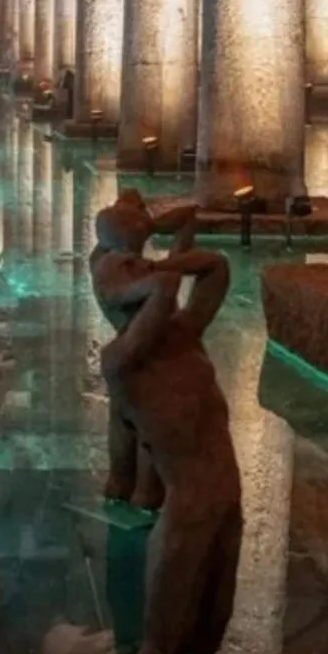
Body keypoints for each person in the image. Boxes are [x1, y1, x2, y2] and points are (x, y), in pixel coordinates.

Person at [91, 199, 241, 654]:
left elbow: (215, 268)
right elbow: (160, 292)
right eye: (131, 270)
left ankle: (201, 648)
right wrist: (153, 272)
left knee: (221, 571)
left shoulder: (184, 333)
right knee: (179, 564)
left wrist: (160, 260)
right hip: (188, 488)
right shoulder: (122, 361)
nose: (149, 271)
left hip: (225, 481)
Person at [89, 189, 198, 512]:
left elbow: (188, 220)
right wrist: (159, 276)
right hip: (138, 355)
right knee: (146, 424)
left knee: (126, 421)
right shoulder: (113, 268)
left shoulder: (108, 259)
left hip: (133, 353)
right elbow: (149, 289)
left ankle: (125, 484)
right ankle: (142, 490)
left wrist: (156, 227)